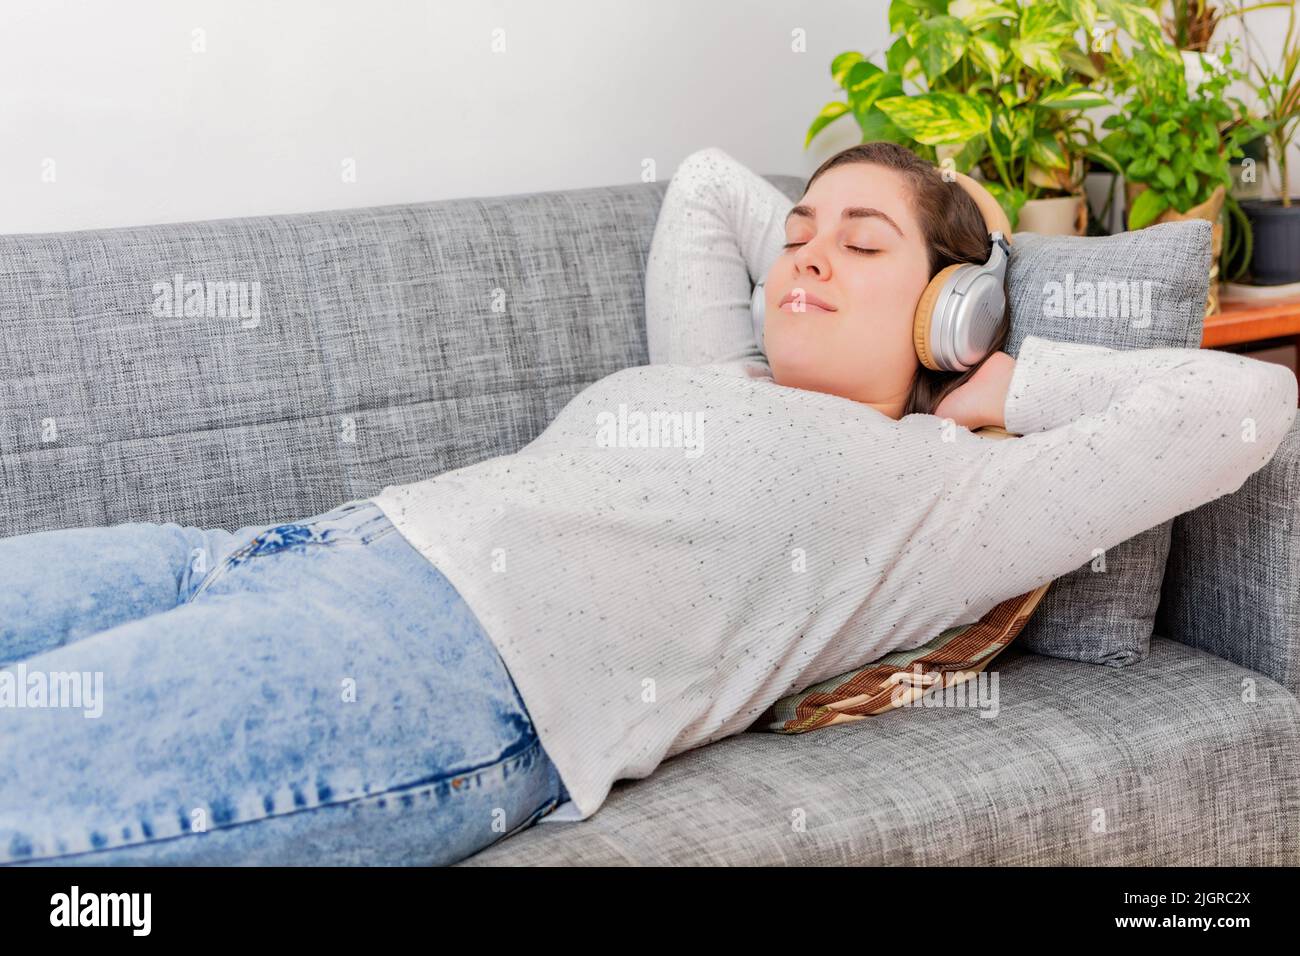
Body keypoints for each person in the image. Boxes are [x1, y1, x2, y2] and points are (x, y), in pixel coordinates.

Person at [0, 144, 1294, 866]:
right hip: (272, 553)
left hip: (443, 659)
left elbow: (1243, 413)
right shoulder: (707, 377)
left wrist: (1007, 370)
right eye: (801, 234)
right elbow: (706, 187)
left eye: (862, 245)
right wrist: (863, 203)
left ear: (944, 309)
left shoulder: (946, 497)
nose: (802, 256)